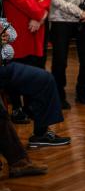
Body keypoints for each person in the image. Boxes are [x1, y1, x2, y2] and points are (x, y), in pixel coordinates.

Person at [0, 19, 70, 149]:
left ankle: (41, 133)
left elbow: (10, 31)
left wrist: (6, 34)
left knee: (44, 79)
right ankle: (38, 134)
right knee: (44, 79)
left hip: (5, 64)